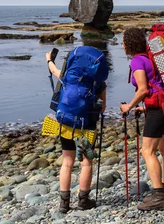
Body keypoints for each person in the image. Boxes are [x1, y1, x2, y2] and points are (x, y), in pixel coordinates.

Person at [119, 27, 164, 211]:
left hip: (158, 110)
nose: (121, 45)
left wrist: (130, 105)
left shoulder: (137, 61)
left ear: (129, 44)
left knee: (147, 151)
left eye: (123, 42)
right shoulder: (154, 58)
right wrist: (144, 107)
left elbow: (143, 89)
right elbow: (157, 85)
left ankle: (158, 195)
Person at [46, 50, 107, 213]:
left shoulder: (67, 76)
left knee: (67, 162)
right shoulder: (99, 82)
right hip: (85, 126)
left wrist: (49, 60)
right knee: (86, 162)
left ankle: (64, 204)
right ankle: (83, 200)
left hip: (65, 123)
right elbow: (102, 108)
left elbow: (53, 70)